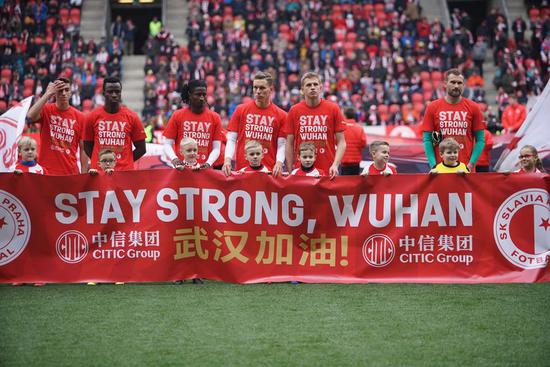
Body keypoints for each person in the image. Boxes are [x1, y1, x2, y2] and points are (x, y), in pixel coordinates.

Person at [223, 71, 286, 177]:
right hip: (243, 170)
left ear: (270, 89)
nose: (257, 91)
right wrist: (227, 160)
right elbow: (232, 139)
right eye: (255, 87)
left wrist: (279, 162)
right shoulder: (240, 110)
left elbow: (282, 145)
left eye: (262, 88)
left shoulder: (282, 115)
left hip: (268, 172)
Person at [284, 72, 346, 179]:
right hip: (301, 172)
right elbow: (289, 143)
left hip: (328, 170)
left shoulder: (333, 108)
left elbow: (342, 142)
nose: (312, 87)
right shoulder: (294, 110)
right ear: (302, 90)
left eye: (315, 84)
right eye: (308, 85)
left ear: (321, 87)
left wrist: (335, 165)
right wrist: (290, 170)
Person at [422, 68, 485, 172]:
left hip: (465, 170)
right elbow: (427, 140)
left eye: (459, 83)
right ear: (445, 84)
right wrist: (433, 165)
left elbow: (480, 140)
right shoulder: (432, 107)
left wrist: (470, 165)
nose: (456, 86)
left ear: (464, 85)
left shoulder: (474, 107)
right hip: (440, 170)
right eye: (453, 82)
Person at [84, 76, 146, 171]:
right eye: (110, 91)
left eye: (117, 92)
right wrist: (101, 162)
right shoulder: (92, 116)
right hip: (99, 173)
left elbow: (141, 148)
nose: (114, 95)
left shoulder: (132, 117)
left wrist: (126, 162)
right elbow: (87, 146)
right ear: (104, 93)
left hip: (124, 174)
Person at [27, 77, 87, 175]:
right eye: (60, 90)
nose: (63, 93)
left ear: (70, 93)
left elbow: (83, 149)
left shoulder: (81, 117)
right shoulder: (46, 109)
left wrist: (84, 175)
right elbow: (30, 116)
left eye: (67, 90)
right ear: (54, 92)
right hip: (46, 172)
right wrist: (47, 94)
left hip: (70, 173)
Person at [163, 80, 222, 170]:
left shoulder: (215, 117)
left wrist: (208, 163)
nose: (202, 98)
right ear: (190, 95)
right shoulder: (177, 115)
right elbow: (167, 144)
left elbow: (217, 148)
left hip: (205, 171)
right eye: (198, 94)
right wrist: (174, 159)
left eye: (204, 94)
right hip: (182, 170)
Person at [340, 107, 367, 175]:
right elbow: (363, 144)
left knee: (344, 182)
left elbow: (335, 142)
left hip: (344, 160)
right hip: (356, 161)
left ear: (345, 115)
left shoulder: (341, 127)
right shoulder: (359, 128)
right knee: (355, 182)